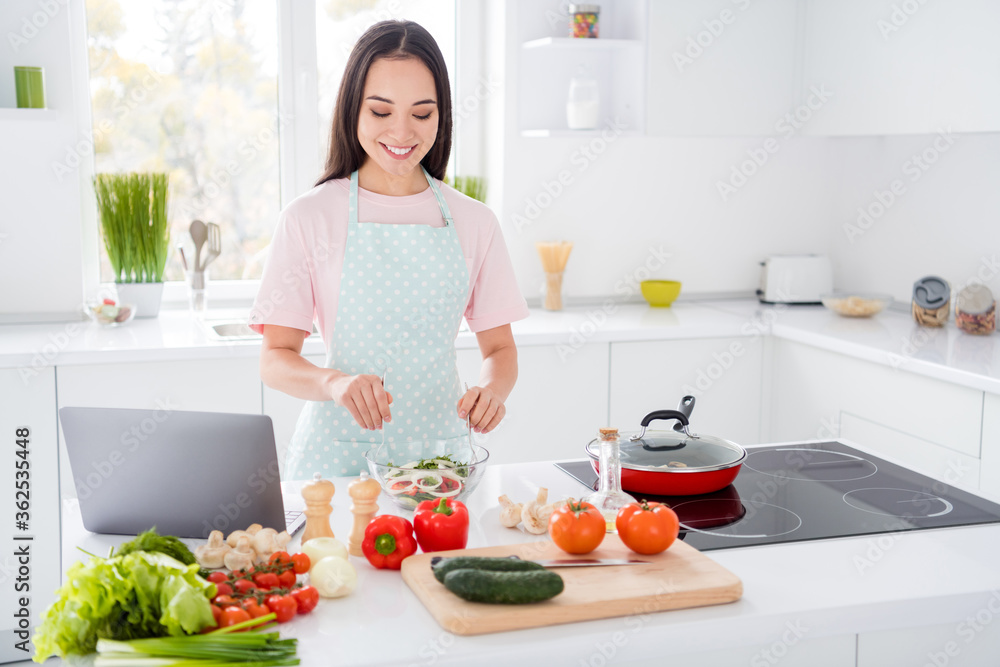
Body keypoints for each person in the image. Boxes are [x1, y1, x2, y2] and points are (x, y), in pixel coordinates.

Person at [249, 20, 528, 478]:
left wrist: (491, 391)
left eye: (422, 114)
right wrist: (334, 383)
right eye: (381, 112)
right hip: (336, 461)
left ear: (442, 115)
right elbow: (275, 358)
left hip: (441, 458)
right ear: (352, 110)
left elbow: (500, 349)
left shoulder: (476, 221)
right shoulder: (310, 217)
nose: (402, 133)